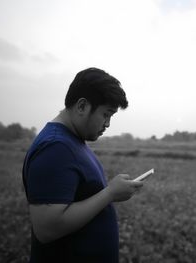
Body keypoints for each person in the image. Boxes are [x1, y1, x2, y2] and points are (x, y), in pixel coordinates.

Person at [22, 67, 143, 262]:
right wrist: (110, 193)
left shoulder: (72, 140)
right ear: (82, 106)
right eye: (106, 114)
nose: (108, 124)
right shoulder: (55, 147)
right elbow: (46, 228)